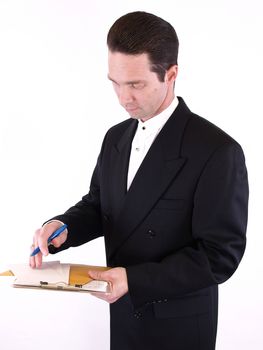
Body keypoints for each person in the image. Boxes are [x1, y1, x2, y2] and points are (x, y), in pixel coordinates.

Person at [30, 11, 249, 350]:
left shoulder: (218, 151)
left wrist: (133, 279)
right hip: (123, 315)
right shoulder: (115, 137)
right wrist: (62, 227)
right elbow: (100, 205)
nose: (123, 98)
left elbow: (220, 255)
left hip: (178, 326)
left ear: (171, 74)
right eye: (115, 83)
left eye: (136, 85)